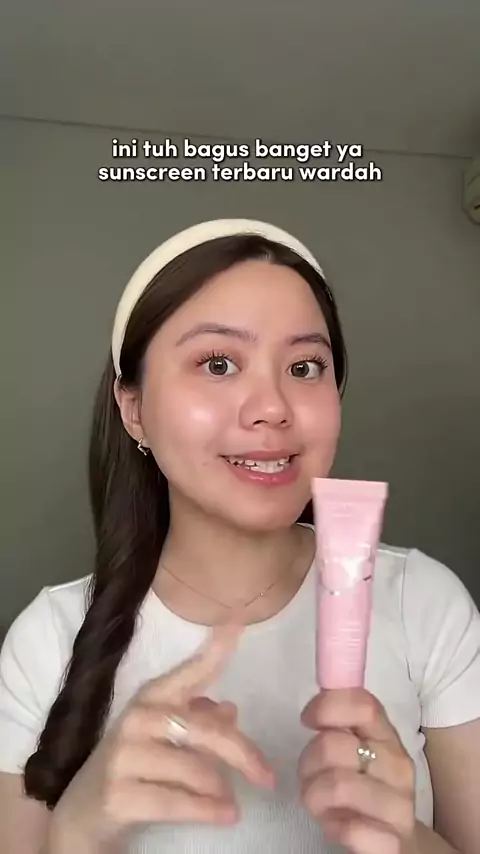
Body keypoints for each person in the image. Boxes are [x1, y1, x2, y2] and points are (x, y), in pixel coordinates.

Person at [0, 219, 479, 854]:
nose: (273, 407)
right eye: (218, 363)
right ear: (133, 408)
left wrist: (407, 841)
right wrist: (75, 832)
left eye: (305, 366)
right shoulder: (47, 642)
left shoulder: (423, 606)